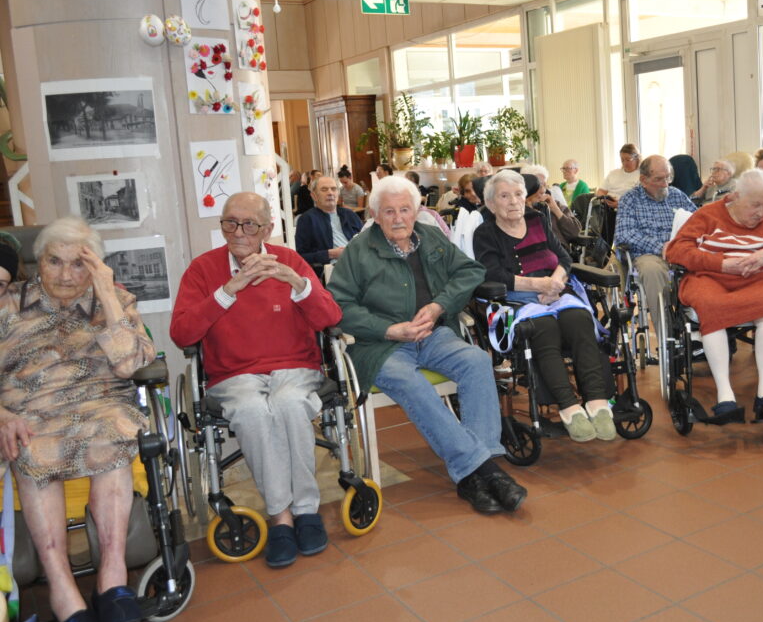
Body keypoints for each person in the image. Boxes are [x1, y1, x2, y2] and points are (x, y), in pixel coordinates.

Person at [329, 176, 527, 514]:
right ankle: (485, 470)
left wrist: (438, 306)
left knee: (477, 361)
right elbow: (339, 306)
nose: (398, 218)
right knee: (410, 383)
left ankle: (474, 475)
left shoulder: (431, 237)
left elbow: (470, 272)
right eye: (389, 211)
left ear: (416, 210)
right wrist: (390, 329)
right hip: (382, 345)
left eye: (405, 210)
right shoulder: (358, 252)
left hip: (435, 334)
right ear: (375, 215)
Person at [170, 192, 341, 568]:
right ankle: (281, 516)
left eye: (248, 225)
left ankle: (306, 510)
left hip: (295, 368)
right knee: (252, 412)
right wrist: (228, 291)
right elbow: (182, 334)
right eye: (230, 223)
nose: (237, 232)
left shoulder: (290, 260)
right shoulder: (203, 269)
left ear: (267, 228)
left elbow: (329, 318)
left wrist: (296, 282)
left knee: (289, 404)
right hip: (234, 375)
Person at [0, 217, 155, 622]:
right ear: (38, 261)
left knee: (114, 434)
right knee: (31, 447)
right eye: (55, 261)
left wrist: (107, 295)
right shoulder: (8, 303)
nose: (66, 275)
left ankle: (112, 578)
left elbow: (129, 365)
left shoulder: (115, 300)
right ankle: (62, 589)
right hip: (28, 414)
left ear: (96, 266)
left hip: (99, 406)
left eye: (79, 263)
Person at [474, 171, 619, 442]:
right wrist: (538, 285)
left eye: (518, 194)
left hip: (555, 291)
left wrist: (554, 283)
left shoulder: (538, 220)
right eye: (504, 196)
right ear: (491, 204)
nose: (513, 201)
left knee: (579, 319)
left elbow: (564, 258)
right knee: (544, 328)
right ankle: (569, 408)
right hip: (515, 300)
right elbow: (493, 274)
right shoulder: (485, 233)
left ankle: (597, 402)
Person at [665, 170, 763, 422]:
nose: (762, 212)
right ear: (735, 197)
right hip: (709, 279)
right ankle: (725, 394)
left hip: (758, 280)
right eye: (755, 205)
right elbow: (676, 251)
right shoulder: (707, 215)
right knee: (710, 304)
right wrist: (721, 264)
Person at [615, 155, 696, 345]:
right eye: (659, 179)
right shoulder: (630, 200)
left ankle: (698, 327)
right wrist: (661, 247)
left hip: (681, 252)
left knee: (704, 267)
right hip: (648, 255)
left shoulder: (677, 195)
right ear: (643, 180)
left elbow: (699, 221)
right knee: (652, 271)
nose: (665, 184)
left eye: (668, 177)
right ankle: (668, 337)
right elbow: (624, 234)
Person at [295, 175, 364, 279]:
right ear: (314, 196)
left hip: (360, 263)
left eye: (333, 189)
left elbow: (367, 241)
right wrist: (330, 254)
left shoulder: (350, 215)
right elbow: (301, 257)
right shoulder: (307, 220)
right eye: (324, 189)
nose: (330, 193)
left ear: (338, 193)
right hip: (333, 271)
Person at [522, 168, 581, 250]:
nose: (543, 190)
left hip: (559, 252)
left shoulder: (555, 204)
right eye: (538, 185)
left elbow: (575, 233)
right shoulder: (519, 209)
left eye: (545, 185)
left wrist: (555, 209)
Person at [596, 143, 641, 208]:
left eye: (628, 160)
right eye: (622, 160)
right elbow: (601, 191)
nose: (625, 163)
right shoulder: (613, 173)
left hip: (627, 209)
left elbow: (639, 200)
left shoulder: (642, 176)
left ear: (636, 158)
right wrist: (605, 200)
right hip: (607, 208)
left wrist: (621, 204)